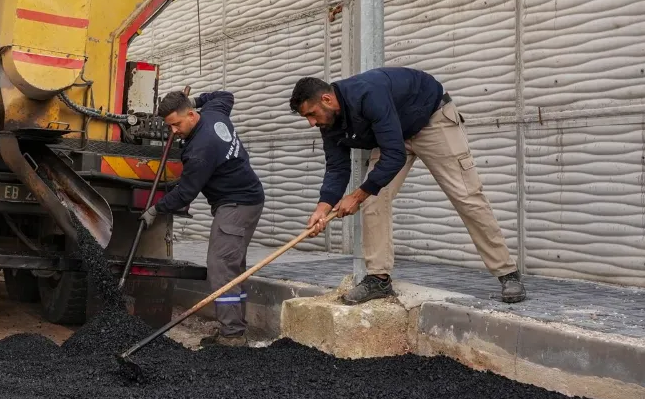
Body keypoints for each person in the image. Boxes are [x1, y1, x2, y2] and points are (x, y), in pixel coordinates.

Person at [290, 67, 526, 305]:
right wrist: (323, 207)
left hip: (431, 120)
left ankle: (507, 273)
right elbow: (337, 167)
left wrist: (357, 195)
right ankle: (378, 279)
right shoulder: (328, 122)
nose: (311, 122)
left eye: (312, 114)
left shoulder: (368, 94)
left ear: (327, 99)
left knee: (466, 196)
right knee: (374, 198)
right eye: (307, 118)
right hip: (393, 133)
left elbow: (394, 157)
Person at [141, 91, 265, 346]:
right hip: (246, 199)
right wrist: (197, 100)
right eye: (169, 126)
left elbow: (185, 193)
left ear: (191, 114)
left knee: (221, 267)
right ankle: (235, 329)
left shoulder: (200, 150)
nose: (174, 131)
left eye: (177, 124)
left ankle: (232, 336)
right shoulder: (215, 112)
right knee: (232, 267)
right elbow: (227, 96)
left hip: (236, 204)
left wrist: (155, 209)